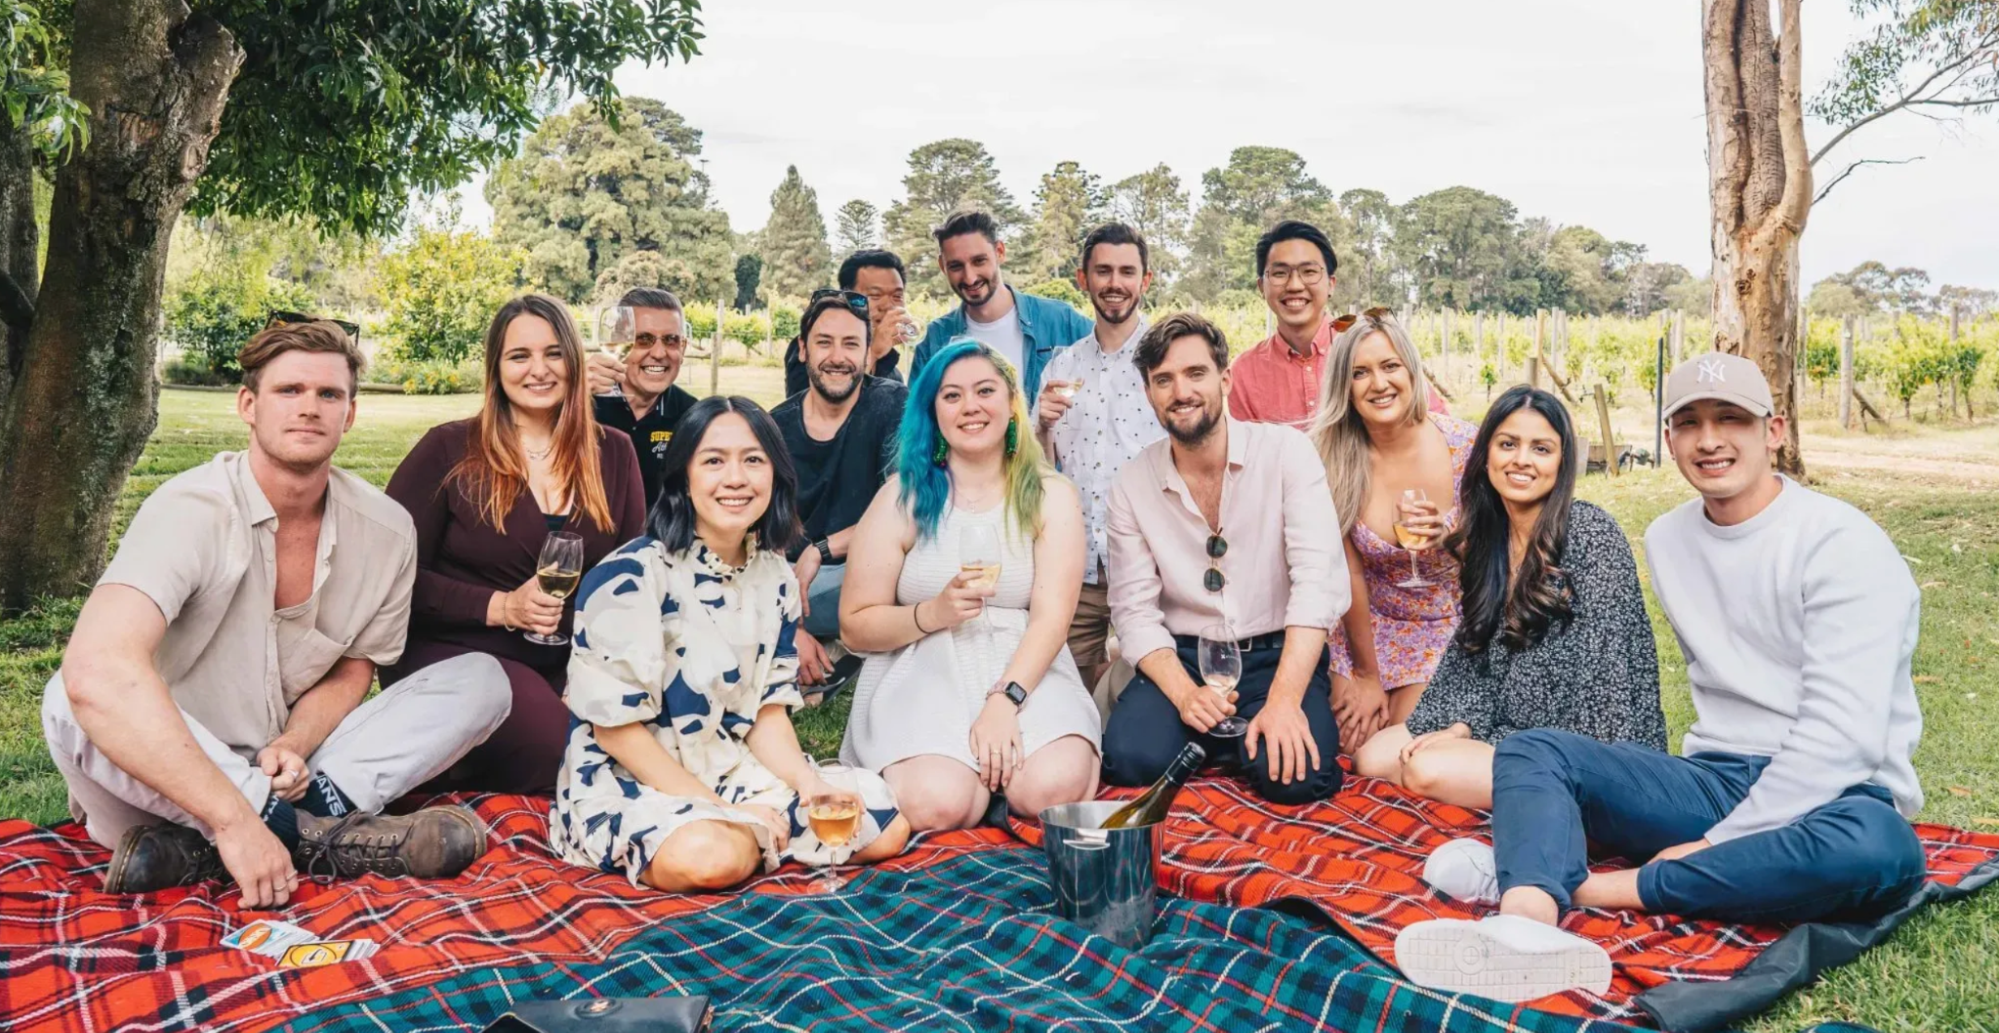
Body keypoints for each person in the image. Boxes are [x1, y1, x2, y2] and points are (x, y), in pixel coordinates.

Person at [1399, 354, 1927, 1002]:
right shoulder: (1669, 538)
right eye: (1689, 421)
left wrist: (1707, 846)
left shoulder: (1840, 543)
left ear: (1775, 430)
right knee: (1533, 749)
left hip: (1843, 792)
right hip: (1713, 777)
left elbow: (1839, 740)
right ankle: (1527, 920)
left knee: (1881, 850)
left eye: (1731, 418)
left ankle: (1582, 882)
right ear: (1669, 437)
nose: (1709, 438)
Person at [42, 321, 506, 906]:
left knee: (482, 681)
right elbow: (98, 674)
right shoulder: (191, 509)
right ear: (248, 405)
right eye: (289, 391)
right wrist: (236, 818)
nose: (309, 408)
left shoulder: (388, 531)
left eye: (328, 394)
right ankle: (308, 837)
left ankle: (209, 851)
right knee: (69, 692)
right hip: (162, 778)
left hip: (292, 773)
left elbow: (354, 667)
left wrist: (295, 740)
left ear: (350, 414)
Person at [552, 397, 910, 889]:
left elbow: (766, 712)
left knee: (883, 822)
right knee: (709, 857)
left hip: (731, 765)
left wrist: (810, 786)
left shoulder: (777, 577)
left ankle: (756, 840)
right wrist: (725, 811)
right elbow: (617, 733)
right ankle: (750, 839)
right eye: (714, 461)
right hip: (632, 779)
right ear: (683, 477)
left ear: (775, 475)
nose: (736, 478)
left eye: (753, 460)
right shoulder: (629, 577)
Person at [385, 294, 647, 795]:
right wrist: (501, 607)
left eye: (553, 353)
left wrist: (595, 674)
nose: (539, 370)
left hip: (569, 660)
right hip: (460, 654)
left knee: (649, 747)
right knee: (572, 759)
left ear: (574, 360)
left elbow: (629, 581)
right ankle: (440, 780)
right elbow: (385, 580)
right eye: (519, 356)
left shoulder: (614, 451)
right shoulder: (448, 448)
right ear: (496, 367)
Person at [838, 339, 1101, 831]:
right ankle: (968, 784)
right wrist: (931, 613)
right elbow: (854, 626)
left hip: (1024, 665)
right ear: (932, 410)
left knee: (1054, 789)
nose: (970, 407)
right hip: (923, 664)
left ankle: (1002, 782)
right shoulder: (903, 496)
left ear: (1011, 403)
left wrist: (1006, 700)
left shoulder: (1051, 495)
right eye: (952, 396)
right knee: (938, 803)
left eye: (985, 390)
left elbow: (1052, 619)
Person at [1362, 387, 1666, 810]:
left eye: (1541, 448)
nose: (1521, 460)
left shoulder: (1592, 534)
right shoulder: (1489, 542)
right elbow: (1476, 663)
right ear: (1486, 456)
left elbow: (1604, 688)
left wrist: (1499, 741)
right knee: (1373, 756)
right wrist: (1463, 727)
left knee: (1423, 770)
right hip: (1506, 723)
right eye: (1508, 444)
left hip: (1589, 751)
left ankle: (1557, 805)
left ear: (1562, 464)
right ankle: (1504, 787)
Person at [1101, 313, 1347, 805]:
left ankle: (1233, 739)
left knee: (1297, 779)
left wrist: (1282, 701)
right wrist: (1185, 695)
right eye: (1163, 380)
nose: (1181, 391)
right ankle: (1218, 736)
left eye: (1195, 374)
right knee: (1131, 759)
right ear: (1149, 393)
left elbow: (1316, 585)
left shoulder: (1287, 454)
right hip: (1185, 658)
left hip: (1276, 655)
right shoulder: (1131, 483)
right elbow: (1133, 611)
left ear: (1225, 380)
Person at [1308, 310, 1480, 770]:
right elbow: (1349, 571)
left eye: (1389, 367)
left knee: (1397, 752)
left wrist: (1451, 538)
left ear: (1411, 370)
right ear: (1344, 387)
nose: (1378, 384)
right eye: (1359, 373)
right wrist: (1362, 674)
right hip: (1364, 625)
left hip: (1446, 624)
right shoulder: (1333, 459)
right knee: (1344, 744)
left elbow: (1499, 559)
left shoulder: (1467, 448)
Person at [1034, 223, 1166, 696]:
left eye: (1127, 271)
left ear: (1145, 281)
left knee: (1149, 685)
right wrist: (1044, 427)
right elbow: (1042, 473)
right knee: (1062, 686)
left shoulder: (1165, 360)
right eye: (1103, 271)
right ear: (1082, 279)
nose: (1115, 283)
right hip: (1080, 562)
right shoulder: (1062, 366)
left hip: (1153, 560)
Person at [771, 290, 908, 695]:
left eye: (851, 344)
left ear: (868, 354)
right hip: (797, 583)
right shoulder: (776, 427)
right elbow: (764, 535)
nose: (837, 357)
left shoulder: (891, 404)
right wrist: (789, 624)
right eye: (824, 342)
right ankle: (811, 647)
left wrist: (823, 549)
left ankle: (841, 651)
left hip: (869, 568)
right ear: (802, 350)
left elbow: (906, 504)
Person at [909, 211, 1093, 402]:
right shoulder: (935, 339)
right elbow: (916, 421)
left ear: (1000, 252)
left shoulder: (1061, 319)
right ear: (942, 266)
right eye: (956, 266)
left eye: (979, 261)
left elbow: (1116, 359)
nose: (970, 277)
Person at [586, 287, 700, 511]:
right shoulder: (582, 402)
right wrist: (570, 397)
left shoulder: (693, 417)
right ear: (618, 343)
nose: (659, 353)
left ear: (683, 348)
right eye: (644, 340)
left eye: (671, 340)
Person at [1227, 220, 1339, 430]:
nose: (1295, 285)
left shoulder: (1369, 350)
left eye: (1309, 272)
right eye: (1280, 273)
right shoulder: (1244, 373)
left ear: (1331, 283)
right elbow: (1252, 458)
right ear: (1261, 286)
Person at [783, 249, 912, 397]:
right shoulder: (814, 347)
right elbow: (817, 410)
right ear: (846, 297)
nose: (888, 306)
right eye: (875, 295)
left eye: (897, 296)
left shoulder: (892, 371)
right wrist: (874, 352)